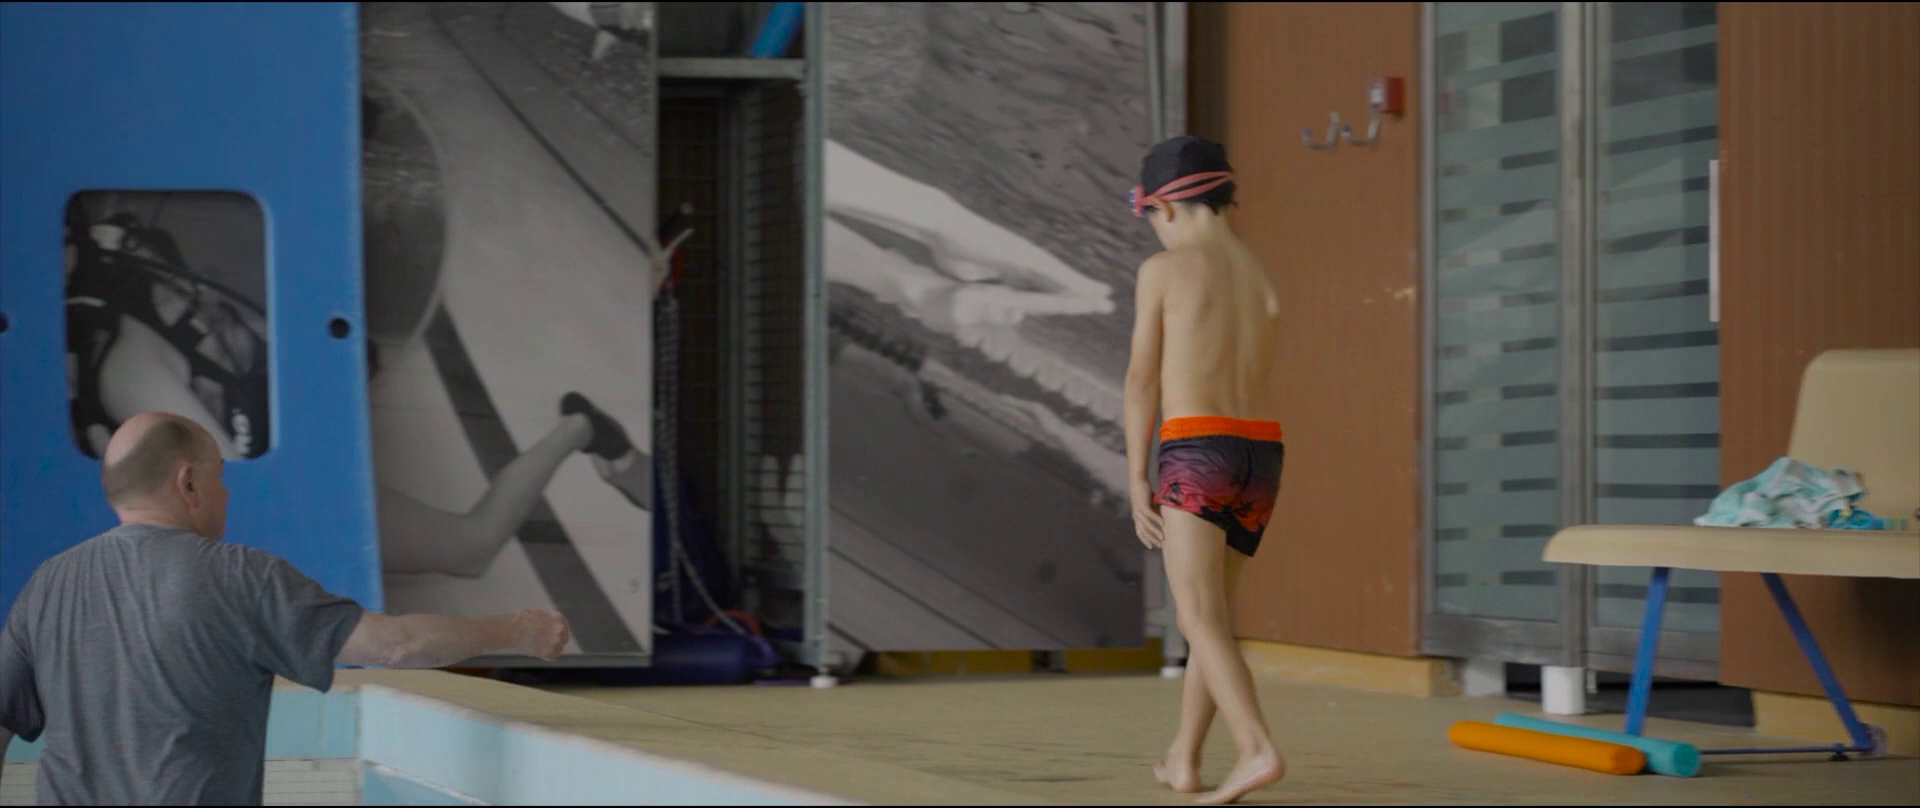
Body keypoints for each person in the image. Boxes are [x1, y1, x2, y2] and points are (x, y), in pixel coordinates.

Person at [0, 413, 572, 805]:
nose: (227, 494)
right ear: (188, 482)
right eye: (221, 476)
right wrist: (515, 629)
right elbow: (397, 646)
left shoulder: (48, 584)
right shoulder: (236, 576)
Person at [1123, 135, 1287, 805]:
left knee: (1196, 614)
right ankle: (1184, 758)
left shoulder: (1165, 270)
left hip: (1197, 446)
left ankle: (1256, 749)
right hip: (1261, 453)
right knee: (1211, 616)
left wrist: (1137, 477)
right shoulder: (1259, 274)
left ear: (1163, 207)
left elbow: (1141, 380)